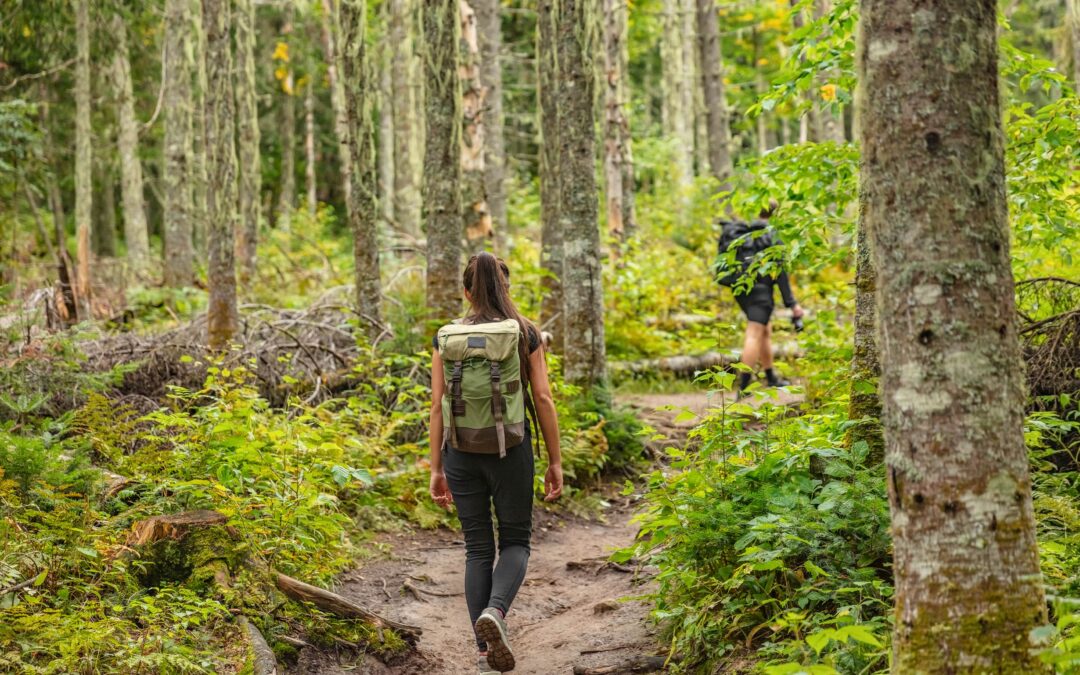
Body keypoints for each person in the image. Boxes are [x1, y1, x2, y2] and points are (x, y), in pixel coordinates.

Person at [428, 252, 564, 674]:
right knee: (516, 541)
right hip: (511, 451)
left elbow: (436, 405)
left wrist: (436, 468)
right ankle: (497, 613)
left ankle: (483, 650)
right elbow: (542, 398)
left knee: (477, 548)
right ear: (506, 289)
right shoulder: (525, 333)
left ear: (466, 291)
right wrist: (555, 461)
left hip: (460, 452)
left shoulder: (446, 337)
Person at [720, 201, 805, 396]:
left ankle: (771, 377)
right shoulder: (772, 234)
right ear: (775, 214)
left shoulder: (746, 232)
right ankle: (744, 386)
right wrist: (792, 304)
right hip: (761, 293)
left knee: (764, 331)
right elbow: (780, 272)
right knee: (753, 334)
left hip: (741, 290)